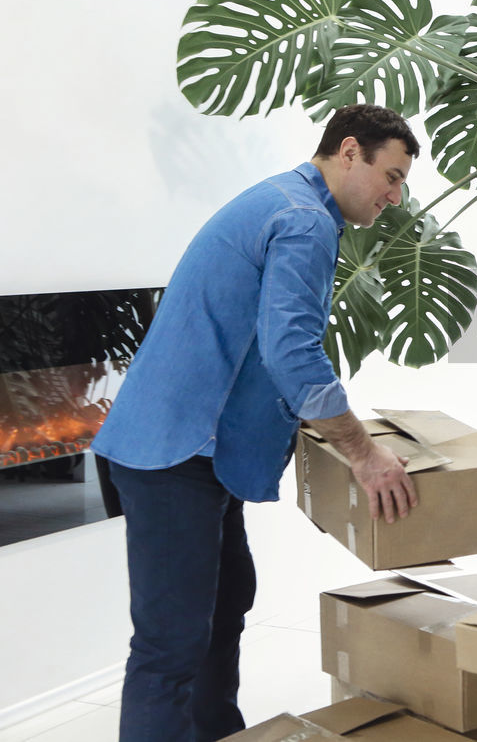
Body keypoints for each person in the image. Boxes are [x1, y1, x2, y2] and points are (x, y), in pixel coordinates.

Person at [92, 104, 422, 742]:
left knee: (224, 608)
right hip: (173, 454)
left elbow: (260, 351)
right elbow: (292, 353)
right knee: (171, 644)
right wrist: (364, 453)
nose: (395, 196)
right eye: (393, 176)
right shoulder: (303, 221)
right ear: (349, 152)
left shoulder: (289, 203)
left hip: (198, 450)